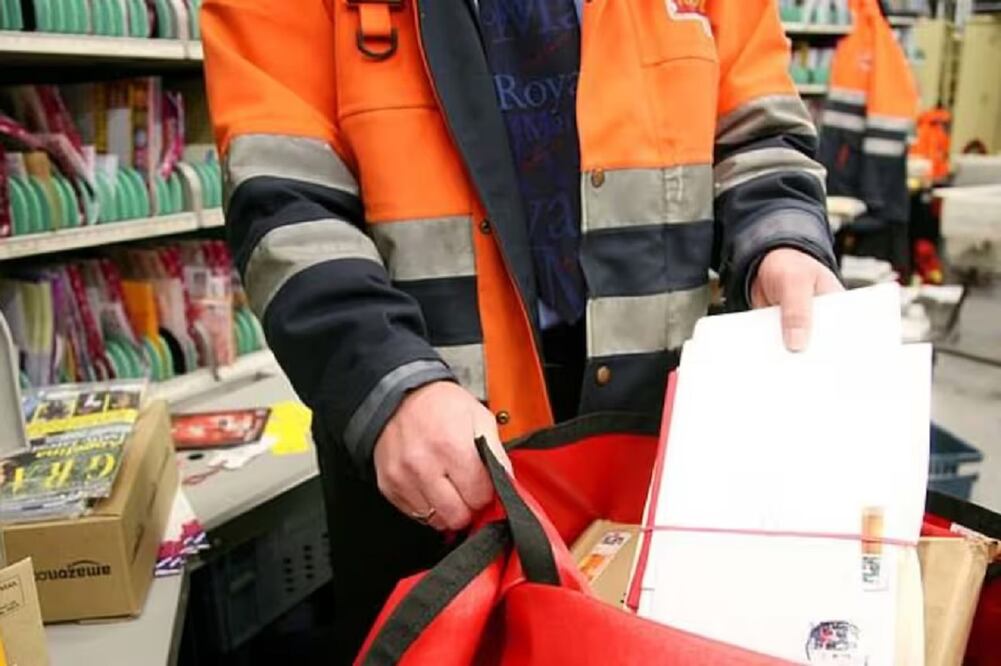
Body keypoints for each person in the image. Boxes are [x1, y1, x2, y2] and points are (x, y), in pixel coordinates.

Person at [202, 0, 842, 661]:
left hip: (655, 445)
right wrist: (388, 384)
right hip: (433, 461)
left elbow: (755, 132)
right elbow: (287, 199)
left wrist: (780, 242)